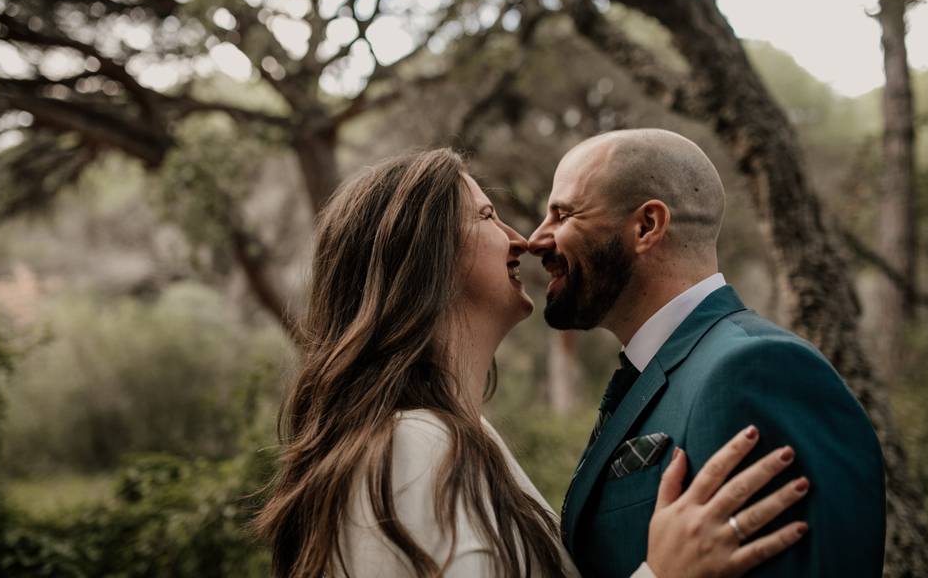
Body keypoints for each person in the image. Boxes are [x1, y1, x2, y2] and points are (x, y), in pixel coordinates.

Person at [255, 149, 809, 578]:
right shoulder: (413, 446)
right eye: (487, 215)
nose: (521, 240)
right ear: (428, 255)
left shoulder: (466, 438)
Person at [528, 129, 886, 577]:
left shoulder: (759, 370)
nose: (535, 239)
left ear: (646, 226)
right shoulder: (652, 373)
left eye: (562, 215)